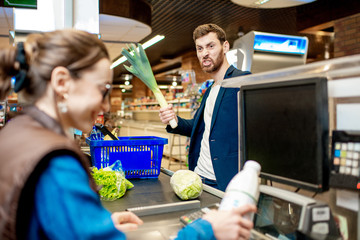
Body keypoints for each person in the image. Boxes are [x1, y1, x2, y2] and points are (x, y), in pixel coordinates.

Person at [0, 29, 256, 240]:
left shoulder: (14, 133)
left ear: (224, 46)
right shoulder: (57, 165)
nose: (106, 106)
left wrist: (98, 224)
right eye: (102, 90)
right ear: (62, 83)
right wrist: (206, 231)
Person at [159, 24, 251, 191]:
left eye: (211, 46)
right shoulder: (210, 90)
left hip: (225, 181)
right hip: (200, 177)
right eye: (200, 48)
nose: (205, 53)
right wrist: (174, 119)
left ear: (225, 47)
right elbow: (200, 128)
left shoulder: (242, 81)